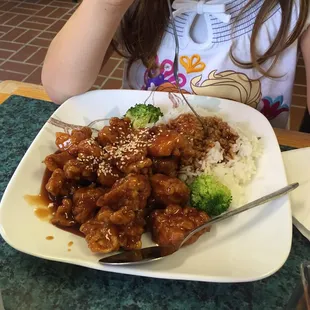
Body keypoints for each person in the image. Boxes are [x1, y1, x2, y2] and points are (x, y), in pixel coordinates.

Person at [42, 0, 310, 129]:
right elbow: (61, 88)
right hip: (143, 153)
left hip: (256, 168)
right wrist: (107, 5)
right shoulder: (134, 5)